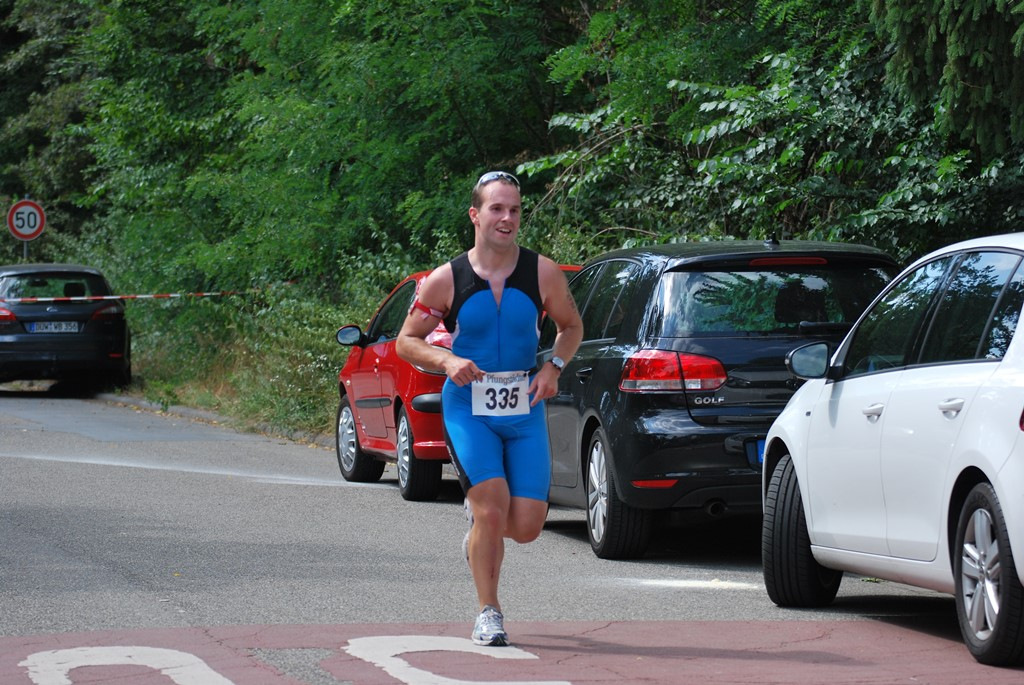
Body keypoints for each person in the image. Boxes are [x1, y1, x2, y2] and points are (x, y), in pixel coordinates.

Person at [396, 170, 583, 646]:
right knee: (492, 511)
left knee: (527, 527)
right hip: (469, 409)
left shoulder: (542, 273)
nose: (507, 218)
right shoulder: (446, 279)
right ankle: (489, 611)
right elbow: (406, 341)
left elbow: (571, 327)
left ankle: (479, 528)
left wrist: (554, 367)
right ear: (475, 215)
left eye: (514, 210)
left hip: (523, 407)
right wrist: (447, 359)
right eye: (496, 209)